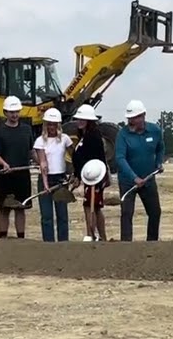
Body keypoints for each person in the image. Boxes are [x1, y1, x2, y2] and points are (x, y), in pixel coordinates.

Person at [116, 99, 164, 242]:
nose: (130, 122)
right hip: (128, 182)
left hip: (148, 180)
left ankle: (152, 243)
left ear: (143, 116)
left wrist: (158, 163)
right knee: (126, 213)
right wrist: (134, 178)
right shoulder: (122, 135)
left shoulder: (155, 130)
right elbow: (120, 158)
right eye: (129, 119)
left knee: (155, 212)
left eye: (134, 118)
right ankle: (126, 244)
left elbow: (160, 147)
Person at [0, 95, 36, 239]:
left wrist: (41, 162)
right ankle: (3, 237)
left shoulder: (27, 130)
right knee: (4, 209)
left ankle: (20, 238)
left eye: (16, 111)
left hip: (22, 175)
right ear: (5, 112)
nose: (14, 115)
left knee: (20, 208)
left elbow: (31, 150)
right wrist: (4, 163)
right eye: (11, 112)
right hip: (5, 176)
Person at [70, 104, 110, 241]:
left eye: (83, 119)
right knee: (94, 207)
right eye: (78, 119)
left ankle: (92, 235)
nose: (79, 121)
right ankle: (99, 236)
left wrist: (96, 179)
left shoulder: (93, 136)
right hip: (88, 177)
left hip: (94, 177)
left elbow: (95, 159)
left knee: (90, 206)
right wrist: (76, 175)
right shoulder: (83, 136)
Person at [33, 108, 73, 242]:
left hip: (60, 179)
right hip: (46, 178)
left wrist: (73, 173)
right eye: (49, 124)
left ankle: (63, 243)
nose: (51, 127)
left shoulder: (65, 139)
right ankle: (49, 245)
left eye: (54, 124)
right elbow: (43, 164)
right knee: (47, 216)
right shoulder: (40, 141)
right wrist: (45, 184)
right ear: (45, 125)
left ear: (58, 125)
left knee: (62, 215)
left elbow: (74, 157)